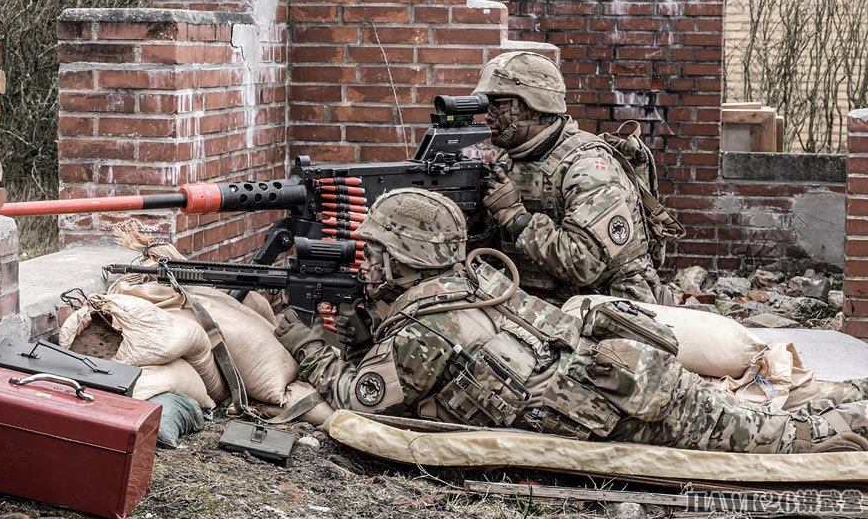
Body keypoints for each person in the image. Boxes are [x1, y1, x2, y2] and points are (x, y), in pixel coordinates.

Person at [275, 187, 868, 454]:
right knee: (765, 413)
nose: (366, 261)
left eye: (375, 251)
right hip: (630, 382)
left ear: (402, 257)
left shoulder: (430, 329)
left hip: (624, 412)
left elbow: (358, 396)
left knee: (783, 437)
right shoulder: (476, 282)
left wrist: (303, 337)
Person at [474, 51, 671, 305]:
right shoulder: (510, 161)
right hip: (544, 307)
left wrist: (515, 217)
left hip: (609, 311)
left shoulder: (588, 167)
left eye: (497, 104)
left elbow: (584, 264)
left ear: (533, 107)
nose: (487, 115)